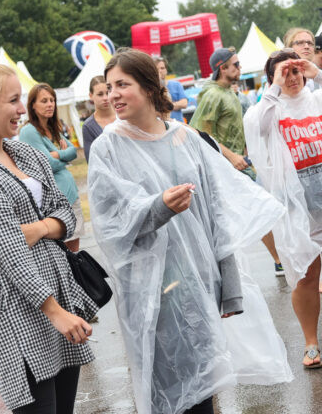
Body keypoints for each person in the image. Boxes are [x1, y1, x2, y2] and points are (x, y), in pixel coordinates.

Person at [88, 48, 291, 414]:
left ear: (149, 87)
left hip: (198, 282)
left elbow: (216, 213)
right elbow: (110, 222)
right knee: (165, 388)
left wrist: (230, 286)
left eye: (122, 84)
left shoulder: (187, 139)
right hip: (150, 289)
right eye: (108, 86)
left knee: (204, 384)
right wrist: (158, 207)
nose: (113, 94)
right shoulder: (108, 148)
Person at [0, 43, 97, 413]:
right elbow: (9, 249)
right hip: (12, 308)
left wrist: (41, 228)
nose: (21, 109)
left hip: (55, 295)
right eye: (13, 101)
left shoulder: (24, 152)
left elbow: (67, 212)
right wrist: (55, 312)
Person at [244, 49, 322, 368]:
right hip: (297, 204)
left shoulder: (316, 99)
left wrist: (316, 71)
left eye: (295, 71)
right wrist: (274, 89)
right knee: (306, 275)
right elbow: (258, 129)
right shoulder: (268, 109)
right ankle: (311, 342)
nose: (291, 77)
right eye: (283, 73)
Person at [190, 47, 283, 276]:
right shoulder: (212, 95)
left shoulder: (229, 92)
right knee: (259, 209)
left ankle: (277, 259)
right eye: (237, 64)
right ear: (223, 68)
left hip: (239, 164)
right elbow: (198, 131)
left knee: (261, 209)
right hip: (222, 167)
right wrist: (230, 157)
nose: (240, 68)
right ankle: (277, 260)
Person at [19, 83, 84, 252]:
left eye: (52, 100)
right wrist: (62, 156)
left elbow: (73, 152)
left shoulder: (52, 128)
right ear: (33, 105)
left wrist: (58, 155)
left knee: (75, 252)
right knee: (64, 253)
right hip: (55, 201)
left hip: (71, 195)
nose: (50, 104)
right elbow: (46, 164)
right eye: (44, 101)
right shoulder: (29, 131)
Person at [82, 76, 116, 162]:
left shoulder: (123, 116)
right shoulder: (88, 126)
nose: (105, 98)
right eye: (100, 94)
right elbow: (91, 159)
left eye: (108, 92)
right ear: (91, 96)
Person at [284, 27, 320, 91]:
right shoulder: (282, 74)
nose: (306, 46)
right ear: (289, 47)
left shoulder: (317, 72)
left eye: (310, 43)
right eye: (300, 43)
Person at [154, 57, 188, 122]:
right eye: (156, 69)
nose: (160, 71)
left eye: (162, 68)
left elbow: (184, 103)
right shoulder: (151, 89)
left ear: (166, 70)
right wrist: (175, 105)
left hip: (179, 125)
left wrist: (164, 106)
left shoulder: (176, 85)